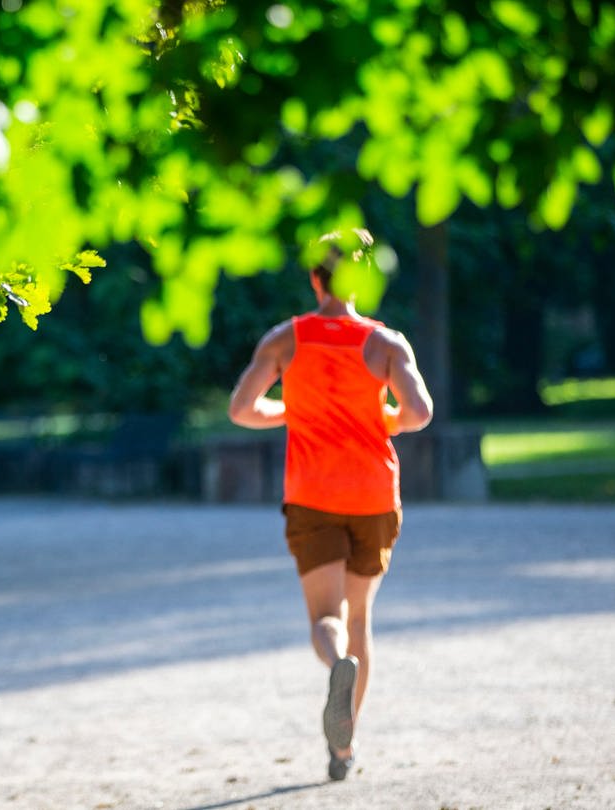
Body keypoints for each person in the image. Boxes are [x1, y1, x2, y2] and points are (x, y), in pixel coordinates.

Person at [227, 229, 433, 782]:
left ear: (315, 278)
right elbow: (420, 412)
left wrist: (290, 411)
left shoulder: (284, 340)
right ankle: (344, 749)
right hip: (371, 494)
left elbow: (241, 409)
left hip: (312, 495)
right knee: (362, 614)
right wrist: (383, 420)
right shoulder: (387, 344)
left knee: (327, 617)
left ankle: (335, 661)